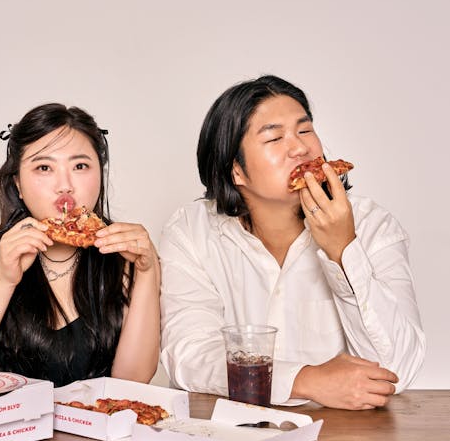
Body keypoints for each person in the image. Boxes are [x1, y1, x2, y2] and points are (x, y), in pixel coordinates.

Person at [159, 75, 425, 410]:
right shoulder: (191, 230)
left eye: (304, 130)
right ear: (236, 171)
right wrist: (306, 380)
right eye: (274, 137)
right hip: (226, 435)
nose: (300, 148)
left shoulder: (373, 225)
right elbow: (190, 355)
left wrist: (343, 251)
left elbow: (397, 368)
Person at [0, 103, 160, 386]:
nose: (64, 185)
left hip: (91, 428)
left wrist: (149, 272)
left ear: (100, 175)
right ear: (17, 183)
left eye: (80, 166)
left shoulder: (126, 252)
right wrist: (4, 280)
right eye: (44, 167)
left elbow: (132, 381)